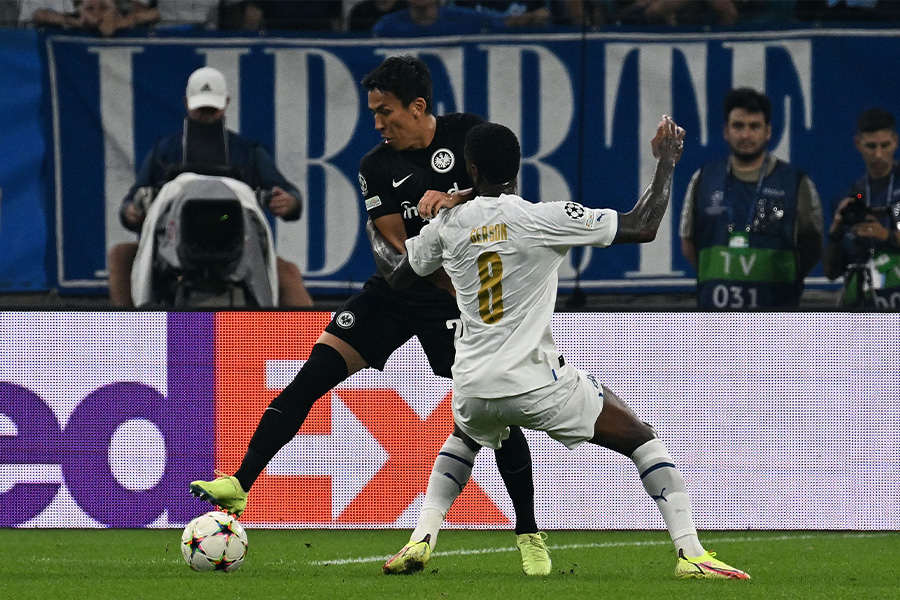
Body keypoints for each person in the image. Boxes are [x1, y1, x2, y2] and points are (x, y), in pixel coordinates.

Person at [190, 55, 549, 576]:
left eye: (385, 112)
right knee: (312, 375)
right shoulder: (375, 166)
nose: (377, 123)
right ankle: (240, 484)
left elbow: (504, 197)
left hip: (455, 302)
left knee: (492, 413)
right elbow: (396, 242)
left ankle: (529, 532)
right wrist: (436, 242)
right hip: (397, 291)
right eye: (374, 112)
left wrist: (453, 200)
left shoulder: (467, 133)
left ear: (418, 107)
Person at [372, 118, 749, 580]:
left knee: (465, 438)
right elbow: (643, 225)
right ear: (518, 168)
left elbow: (399, 273)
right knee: (641, 438)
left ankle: (422, 536)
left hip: (471, 383)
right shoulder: (543, 219)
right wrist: (667, 163)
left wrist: (398, 223)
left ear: (470, 170)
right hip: (537, 385)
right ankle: (691, 553)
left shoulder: (447, 225)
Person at [108, 66, 313, 307]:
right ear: (187, 103)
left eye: (211, 108)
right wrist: (131, 211)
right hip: (169, 248)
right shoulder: (164, 150)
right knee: (120, 257)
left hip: (240, 249)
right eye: (201, 108)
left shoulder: (247, 151)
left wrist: (290, 202)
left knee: (288, 273)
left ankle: (319, 335)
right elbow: (132, 200)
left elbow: (288, 193)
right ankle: (131, 330)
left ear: (226, 103)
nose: (206, 115)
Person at [679, 87, 823, 309]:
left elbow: (812, 245)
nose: (746, 135)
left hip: (776, 318)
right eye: (738, 126)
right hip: (716, 316)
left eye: (754, 126)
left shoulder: (795, 182)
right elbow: (688, 240)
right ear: (726, 131)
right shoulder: (704, 178)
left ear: (768, 131)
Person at [823, 108, 900, 307]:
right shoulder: (850, 198)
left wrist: (886, 236)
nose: (879, 154)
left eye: (885, 145)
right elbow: (831, 273)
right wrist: (836, 233)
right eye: (871, 146)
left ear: (896, 142)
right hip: (863, 308)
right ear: (858, 144)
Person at [19, 0, 159, 35]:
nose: (96, 13)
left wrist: (120, 23)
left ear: (116, 10)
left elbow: (154, 14)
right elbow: (39, 14)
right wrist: (74, 22)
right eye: (90, 8)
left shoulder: (122, 18)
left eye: (104, 8)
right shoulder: (74, 20)